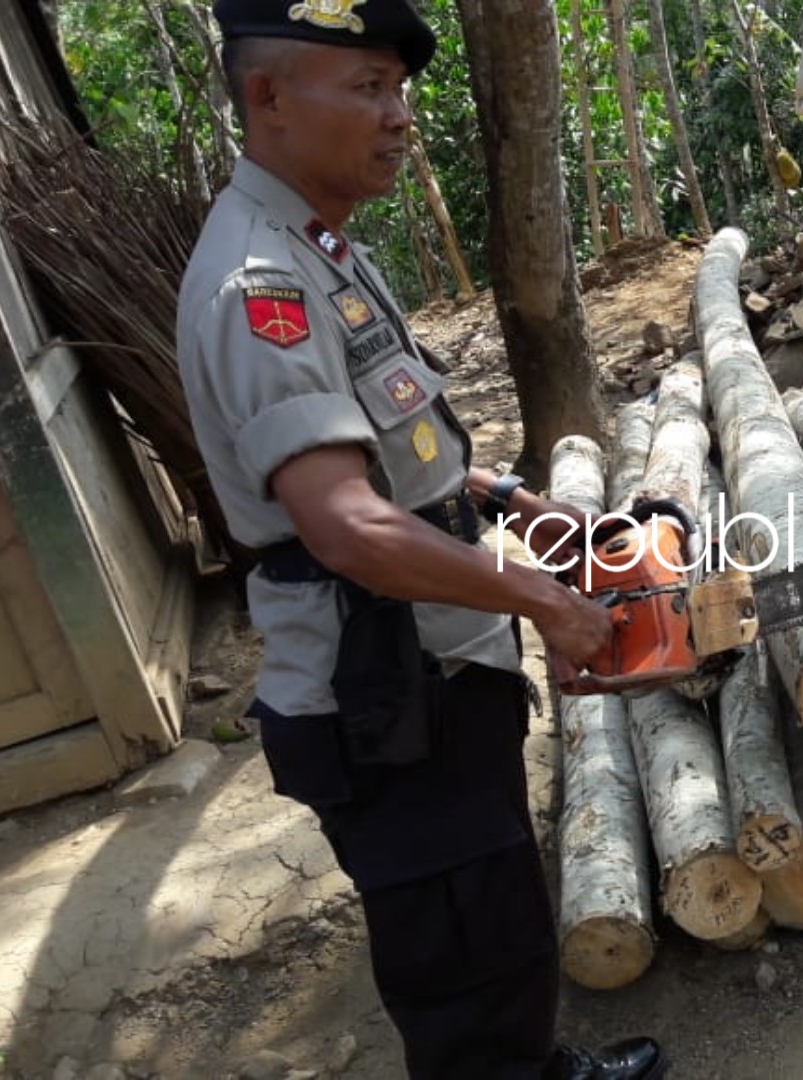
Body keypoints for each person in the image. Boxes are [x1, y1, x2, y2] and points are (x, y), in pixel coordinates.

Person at [177, 3, 665, 1077]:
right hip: (385, 696)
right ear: (267, 99)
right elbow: (346, 526)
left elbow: (381, 438)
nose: (399, 119)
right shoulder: (257, 286)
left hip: (435, 662)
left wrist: (498, 495)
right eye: (366, 90)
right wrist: (544, 600)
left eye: (399, 90)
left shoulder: (319, 246)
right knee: (460, 961)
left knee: (493, 913)